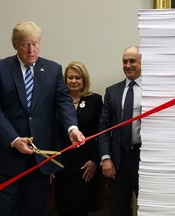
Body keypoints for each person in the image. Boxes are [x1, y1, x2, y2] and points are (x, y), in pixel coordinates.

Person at [0, 21, 85, 216]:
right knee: (4, 210)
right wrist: (14, 140)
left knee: (36, 210)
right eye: (25, 44)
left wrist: (72, 128)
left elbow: (63, 102)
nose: (31, 50)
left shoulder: (52, 70)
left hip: (39, 160)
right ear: (15, 44)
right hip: (7, 158)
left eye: (35, 43)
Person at [54, 61, 103, 216]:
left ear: (84, 80)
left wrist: (95, 161)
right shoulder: (58, 102)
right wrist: (50, 162)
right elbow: (51, 132)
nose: (73, 81)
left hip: (85, 167)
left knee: (81, 209)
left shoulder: (95, 100)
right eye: (70, 78)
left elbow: (101, 133)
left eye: (77, 78)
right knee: (62, 208)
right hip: (60, 165)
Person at [98, 46, 142, 216]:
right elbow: (103, 127)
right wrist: (106, 158)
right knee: (118, 210)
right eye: (125, 61)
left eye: (132, 61)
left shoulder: (153, 89)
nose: (128, 65)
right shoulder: (112, 92)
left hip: (143, 158)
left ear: (141, 62)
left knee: (149, 206)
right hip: (118, 161)